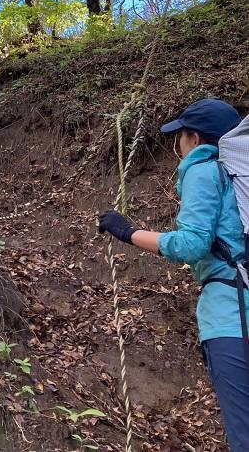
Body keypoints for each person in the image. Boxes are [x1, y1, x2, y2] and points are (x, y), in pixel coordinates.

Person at [99, 98, 249, 452]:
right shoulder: (239, 175)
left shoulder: (204, 169)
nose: (176, 144)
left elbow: (192, 244)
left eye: (179, 136)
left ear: (194, 139)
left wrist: (127, 232)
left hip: (232, 317)